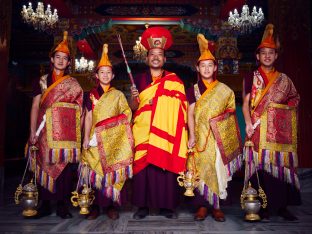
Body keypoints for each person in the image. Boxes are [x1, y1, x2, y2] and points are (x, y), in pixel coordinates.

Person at [242, 24, 300, 221]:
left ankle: (282, 207)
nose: (267, 56)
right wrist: (248, 124)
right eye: (263, 53)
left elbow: (294, 99)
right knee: (260, 169)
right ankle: (261, 207)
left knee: (280, 168)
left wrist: (281, 112)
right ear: (257, 56)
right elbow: (245, 104)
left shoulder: (285, 80)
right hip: (258, 130)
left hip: (279, 133)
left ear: (276, 56)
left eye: (271, 53)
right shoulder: (251, 77)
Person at [130, 26, 188, 219]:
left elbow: (181, 104)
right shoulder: (139, 79)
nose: (156, 57)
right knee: (143, 168)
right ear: (147, 58)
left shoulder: (174, 80)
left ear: (164, 59)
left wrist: (161, 102)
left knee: (163, 167)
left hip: (165, 130)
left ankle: (166, 206)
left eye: (159, 54)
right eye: (152, 54)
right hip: (143, 130)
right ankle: (142, 207)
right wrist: (133, 98)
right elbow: (133, 107)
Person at [26, 31, 83, 219]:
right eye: (57, 57)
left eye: (64, 58)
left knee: (64, 169)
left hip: (65, 133)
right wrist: (32, 131)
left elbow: (79, 110)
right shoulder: (41, 81)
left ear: (68, 63)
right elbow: (35, 106)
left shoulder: (73, 84)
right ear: (52, 59)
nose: (60, 61)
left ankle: (62, 204)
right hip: (44, 132)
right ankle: (44, 204)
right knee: (43, 164)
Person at [186, 34, 243, 222]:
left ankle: (217, 207)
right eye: (203, 66)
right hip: (201, 138)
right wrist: (192, 135)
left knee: (218, 169)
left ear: (215, 68)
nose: (207, 69)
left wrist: (219, 124)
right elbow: (190, 113)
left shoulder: (225, 90)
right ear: (197, 68)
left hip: (218, 137)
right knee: (201, 170)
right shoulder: (193, 89)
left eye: (210, 65)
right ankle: (202, 206)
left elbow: (231, 112)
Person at [80, 44, 133, 220]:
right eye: (101, 72)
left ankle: (111, 206)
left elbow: (126, 114)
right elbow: (88, 117)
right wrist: (87, 137)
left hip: (112, 141)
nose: (105, 75)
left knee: (111, 173)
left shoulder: (118, 95)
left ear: (113, 75)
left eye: (108, 72)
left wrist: (110, 128)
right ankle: (94, 206)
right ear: (96, 75)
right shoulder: (91, 95)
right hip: (94, 140)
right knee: (94, 171)